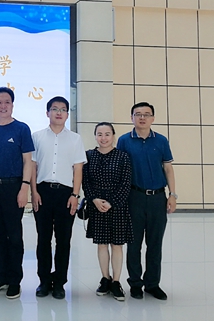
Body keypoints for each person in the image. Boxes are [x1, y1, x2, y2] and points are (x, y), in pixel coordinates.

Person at [117, 102, 177, 301]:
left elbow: (168, 168)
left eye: (146, 114)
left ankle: (152, 284)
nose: (142, 118)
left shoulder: (161, 140)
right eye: (138, 114)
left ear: (153, 118)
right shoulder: (124, 141)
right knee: (134, 244)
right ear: (131, 118)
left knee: (155, 244)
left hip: (158, 198)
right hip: (134, 197)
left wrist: (172, 195)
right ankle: (135, 284)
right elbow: (120, 170)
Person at [31, 96, 86, 300]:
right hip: (42, 192)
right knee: (43, 239)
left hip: (66, 194)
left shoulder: (75, 139)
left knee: (64, 240)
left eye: (63, 109)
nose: (59, 112)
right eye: (54, 109)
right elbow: (33, 167)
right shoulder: (37, 137)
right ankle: (44, 281)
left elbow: (78, 169)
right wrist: (34, 192)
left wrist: (75, 195)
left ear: (67, 114)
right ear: (47, 113)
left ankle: (60, 282)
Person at [0, 87, 34, 299]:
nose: (3, 106)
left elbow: (28, 161)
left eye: (7, 102)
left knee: (14, 235)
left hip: (14, 187)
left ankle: (15, 279)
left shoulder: (22, 129)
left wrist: (24, 188)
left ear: (12, 105)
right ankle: (1, 275)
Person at [82, 122, 133, 301]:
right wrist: (94, 199)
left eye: (107, 134)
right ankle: (105, 278)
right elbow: (85, 182)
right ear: (95, 136)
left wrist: (111, 202)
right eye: (100, 134)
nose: (103, 138)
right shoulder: (88, 156)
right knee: (102, 244)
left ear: (113, 136)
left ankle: (116, 281)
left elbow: (126, 183)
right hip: (97, 206)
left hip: (117, 206)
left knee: (117, 245)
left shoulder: (123, 157)